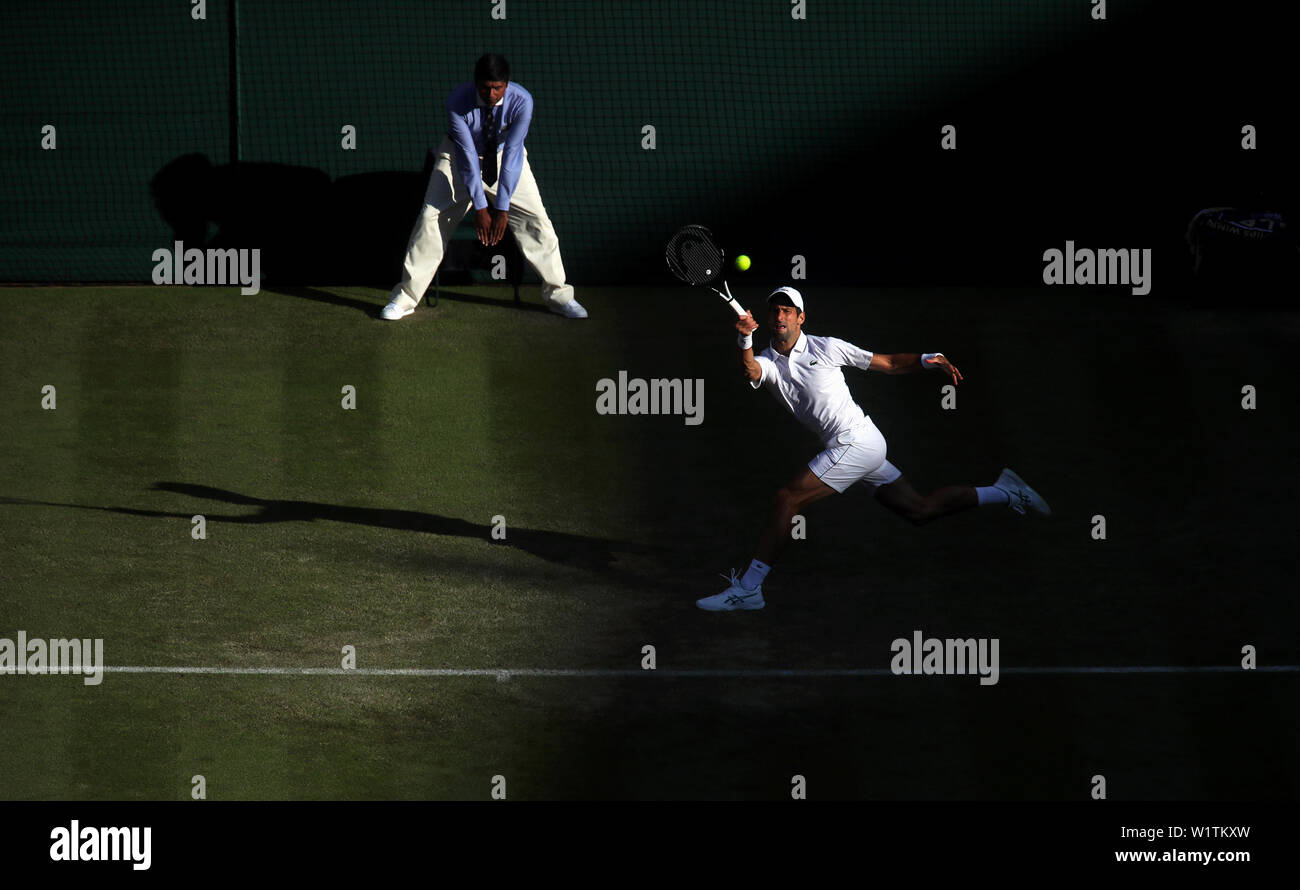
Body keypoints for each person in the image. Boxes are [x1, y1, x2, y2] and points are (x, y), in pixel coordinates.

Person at [697, 286, 1050, 612]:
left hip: (857, 442)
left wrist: (931, 358)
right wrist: (745, 338)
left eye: (788, 310)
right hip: (856, 447)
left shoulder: (828, 347)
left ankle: (750, 588)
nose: (779, 316)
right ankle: (1005, 492)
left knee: (788, 499)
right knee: (920, 510)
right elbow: (752, 371)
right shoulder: (769, 359)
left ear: (801, 318)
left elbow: (889, 362)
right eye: (775, 310)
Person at [381, 54, 587, 321]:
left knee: (538, 222)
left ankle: (560, 297)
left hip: (505, 157)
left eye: (497, 87)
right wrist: (480, 206)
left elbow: (513, 153)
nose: (491, 93)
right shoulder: (457, 100)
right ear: (476, 83)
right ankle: (405, 298)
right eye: (485, 87)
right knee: (429, 220)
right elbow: (467, 155)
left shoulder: (522, 101)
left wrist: (501, 208)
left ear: (507, 84)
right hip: (457, 157)